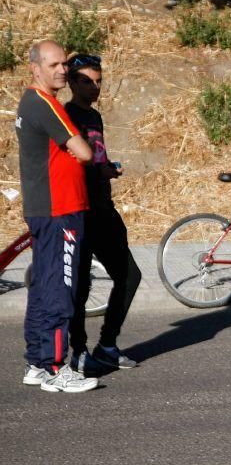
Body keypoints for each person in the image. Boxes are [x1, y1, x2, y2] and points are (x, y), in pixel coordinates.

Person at [16, 40, 98, 393]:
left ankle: (37, 362)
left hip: (50, 210)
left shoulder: (31, 101)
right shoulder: (44, 103)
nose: (62, 69)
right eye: (53, 65)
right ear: (35, 68)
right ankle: (53, 367)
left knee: (43, 287)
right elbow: (83, 151)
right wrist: (83, 148)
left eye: (64, 63)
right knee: (59, 289)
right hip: (59, 211)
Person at [64, 53, 142, 372]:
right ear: (71, 82)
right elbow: (68, 166)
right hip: (79, 212)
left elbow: (95, 157)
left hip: (103, 209)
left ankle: (107, 345)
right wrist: (100, 173)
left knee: (129, 275)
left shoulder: (94, 117)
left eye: (99, 81)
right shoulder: (66, 116)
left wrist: (106, 169)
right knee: (79, 287)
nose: (95, 87)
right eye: (87, 81)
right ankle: (79, 352)